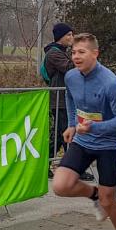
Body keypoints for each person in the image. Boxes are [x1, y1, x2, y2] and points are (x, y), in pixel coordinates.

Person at [52, 33, 116, 230]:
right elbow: (70, 97)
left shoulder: (110, 83)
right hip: (83, 140)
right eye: (74, 52)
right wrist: (71, 124)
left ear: (95, 54)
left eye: (82, 52)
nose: (76, 56)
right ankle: (94, 194)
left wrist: (94, 128)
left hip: (108, 144)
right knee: (60, 185)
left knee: (110, 203)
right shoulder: (71, 77)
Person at [44, 23, 94, 180]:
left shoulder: (63, 52)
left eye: (72, 35)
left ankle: (72, 167)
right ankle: (45, 164)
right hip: (58, 101)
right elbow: (70, 68)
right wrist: (84, 55)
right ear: (61, 37)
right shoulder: (54, 54)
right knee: (61, 134)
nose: (71, 38)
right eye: (69, 35)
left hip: (67, 99)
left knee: (66, 134)